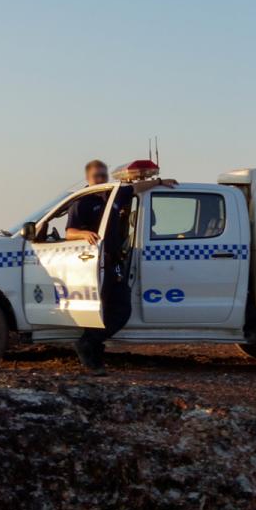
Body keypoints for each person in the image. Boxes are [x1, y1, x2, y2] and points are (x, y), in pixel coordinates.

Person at [65, 160, 177, 374]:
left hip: (114, 259)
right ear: (88, 177)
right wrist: (84, 234)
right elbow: (70, 231)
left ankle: (92, 345)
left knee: (119, 308)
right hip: (94, 259)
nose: (100, 178)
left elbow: (135, 189)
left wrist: (160, 182)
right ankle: (89, 347)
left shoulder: (114, 194)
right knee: (105, 306)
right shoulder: (83, 201)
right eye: (96, 175)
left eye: (103, 174)